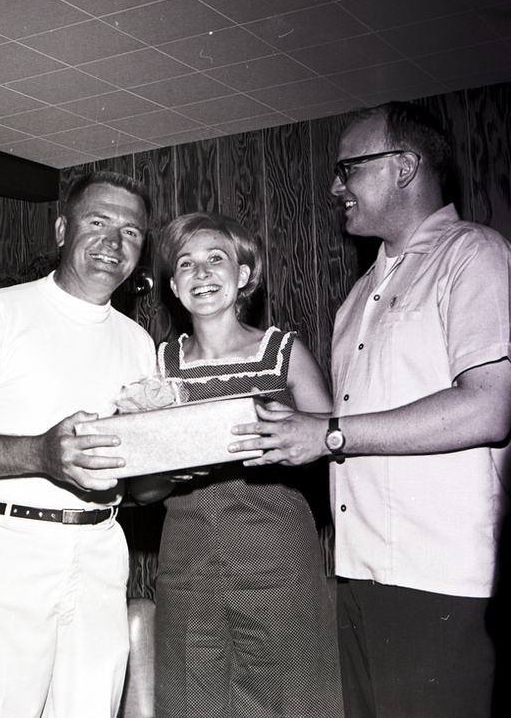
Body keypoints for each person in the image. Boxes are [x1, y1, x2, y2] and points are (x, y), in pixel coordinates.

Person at [230, 102, 511, 718]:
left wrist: (328, 434)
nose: (336, 188)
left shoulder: (474, 255)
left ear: (404, 166)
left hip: (441, 578)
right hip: (358, 575)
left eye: (348, 169)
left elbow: (490, 407)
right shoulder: (357, 297)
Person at [0, 171, 156, 718]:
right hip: (1, 547)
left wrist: (178, 460)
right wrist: (42, 454)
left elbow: (142, 485)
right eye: (98, 222)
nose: (113, 242)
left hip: (100, 551)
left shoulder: (139, 343)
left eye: (131, 232)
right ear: (62, 230)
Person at [128, 212, 343, 718]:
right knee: (193, 702)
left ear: (243, 275)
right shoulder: (159, 365)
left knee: (293, 700)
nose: (201, 272)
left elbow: (330, 452)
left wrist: (288, 439)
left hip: (279, 562)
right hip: (188, 568)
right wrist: (170, 468)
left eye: (215, 259)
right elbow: (141, 491)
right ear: (174, 287)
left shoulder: (284, 353)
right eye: (186, 264)